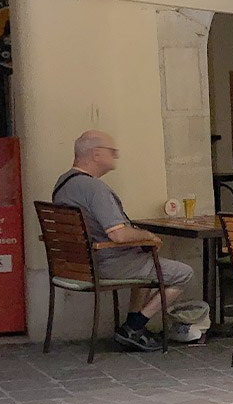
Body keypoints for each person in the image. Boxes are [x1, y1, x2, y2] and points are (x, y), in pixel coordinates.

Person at [51, 131, 194, 352]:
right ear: (96, 154)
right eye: (112, 152)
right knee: (183, 273)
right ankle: (134, 327)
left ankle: (132, 329)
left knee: (143, 259)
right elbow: (118, 235)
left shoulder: (62, 185)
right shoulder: (94, 189)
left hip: (77, 264)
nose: (116, 156)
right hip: (107, 263)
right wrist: (148, 235)